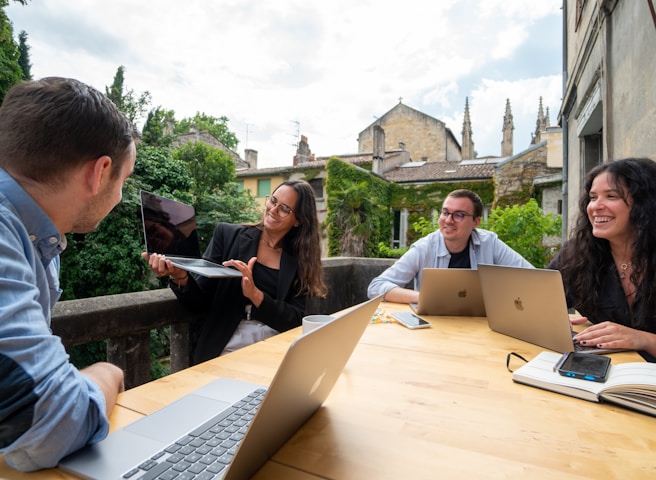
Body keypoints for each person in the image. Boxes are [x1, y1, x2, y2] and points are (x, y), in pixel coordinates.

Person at [0, 78, 138, 471]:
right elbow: (47, 423)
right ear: (100, 173)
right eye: (123, 182)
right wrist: (106, 373)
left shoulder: (35, 236)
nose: (120, 196)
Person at [143, 179, 327, 363]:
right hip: (226, 345)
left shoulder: (300, 259)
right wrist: (179, 276)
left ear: (298, 220)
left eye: (285, 209)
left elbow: (295, 319)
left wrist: (255, 295)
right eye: (273, 200)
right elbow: (200, 301)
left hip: (275, 348)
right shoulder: (228, 236)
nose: (273, 210)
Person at [548, 158, 656, 361]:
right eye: (593, 197)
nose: (596, 206)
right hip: (604, 376)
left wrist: (643, 339)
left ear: (645, 204)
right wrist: (551, 320)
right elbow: (538, 301)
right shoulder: (577, 254)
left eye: (611, 196)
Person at [368, 189, 533, 303]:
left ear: (476, 222)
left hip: (479, 326)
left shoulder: (490, 243)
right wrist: (423, 297)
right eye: (445, 213)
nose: (448, 220)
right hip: (433, 328)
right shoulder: (424, 247)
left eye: (459, 215)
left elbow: (532, 278)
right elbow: (376, 287)